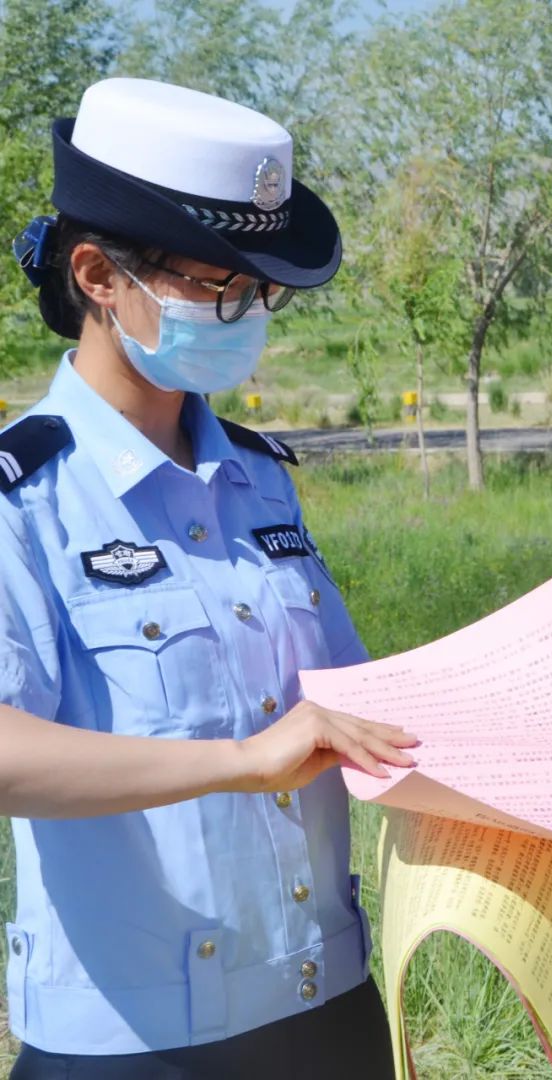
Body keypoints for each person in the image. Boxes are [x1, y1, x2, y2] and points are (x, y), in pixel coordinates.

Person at [1, 77, 418, 1078]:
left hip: (327, 1008)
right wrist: (240, 761)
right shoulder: (26, 502)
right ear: (100, 276)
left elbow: (346, 706)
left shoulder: (259, 480)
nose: (250, 317)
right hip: (138, 1045)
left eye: (263, 292)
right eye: (220, 288)